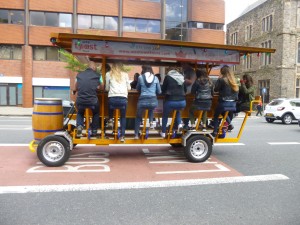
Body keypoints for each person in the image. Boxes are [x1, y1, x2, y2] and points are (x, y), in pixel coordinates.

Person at [73, 61, 103, 137]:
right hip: (92, 101)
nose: (96, 68)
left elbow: (75, 87)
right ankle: (94, 131)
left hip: (81, 100)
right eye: (96, 67)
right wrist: (97, 87)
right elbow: (102, 86)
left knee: (80, 112)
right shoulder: (98, 75)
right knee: (96, 113)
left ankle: (79, 126)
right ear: (93, 67)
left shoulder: (79, 75)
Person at [105, 63, 131, 142]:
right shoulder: (125, 74)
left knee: (109, 104)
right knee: (123, 117)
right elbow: (129, 88)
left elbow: (106, 88)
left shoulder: (108, 74)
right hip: (123, 98)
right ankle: (122, 136)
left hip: (112, 98)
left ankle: (110, 119)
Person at [134, 65, 161, 139]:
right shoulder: (156, 78)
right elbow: (159, 91)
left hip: (142, 101)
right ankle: (151, 122)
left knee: (138, 116)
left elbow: (137, 89)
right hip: (153, 101)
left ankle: (136, 134)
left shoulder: (140, 77)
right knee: (151, 107)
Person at [212, 65, 239, 137]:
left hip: (223, 102)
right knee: (224, 113)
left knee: (215, 116)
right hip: (233, 104)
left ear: (222, 72)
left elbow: (215, 89)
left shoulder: (221, 80)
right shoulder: (233, 81)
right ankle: (229, 124)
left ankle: (214, 131)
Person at [160, 67, 186, 138]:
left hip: (171, 101)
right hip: (182, 101)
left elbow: (163, 89)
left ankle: (163, 132)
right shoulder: (182, 77)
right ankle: (179, 124)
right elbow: (185, 90)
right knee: (178, 110)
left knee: (165, 115)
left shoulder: (168, 77)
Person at [182, 63, 196, 129]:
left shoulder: (191, 71)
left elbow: (191, 81)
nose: (182, 65)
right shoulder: (185, 71)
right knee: (185, 109)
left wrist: (183, 80)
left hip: (189, 93)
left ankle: (186, 124)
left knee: (187, 109)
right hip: (186, 92)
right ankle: (185, 123)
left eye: (183, 63)